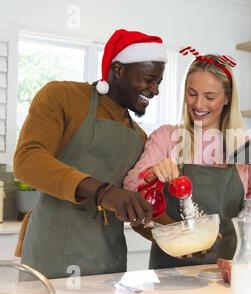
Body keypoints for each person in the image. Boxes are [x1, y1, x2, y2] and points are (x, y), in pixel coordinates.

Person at [13, 29, 168, 279]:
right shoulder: (62, 97)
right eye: (149, 79)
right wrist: (103, 192)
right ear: (118, 69)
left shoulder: (140, 138)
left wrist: (182, 239)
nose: (155, 90)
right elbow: (27, 161)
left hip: (108, 263)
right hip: (51, 256)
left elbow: (137, 210)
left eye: (159, 82)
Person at [123, 48, 251, 269]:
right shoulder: (166, 137)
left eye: (210, 97)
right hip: (170, 269)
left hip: (228, 267)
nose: (198, 105)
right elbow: (130, 186)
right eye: (192, 93)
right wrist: (152, 173)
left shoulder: (242, 145)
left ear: (227, 98)